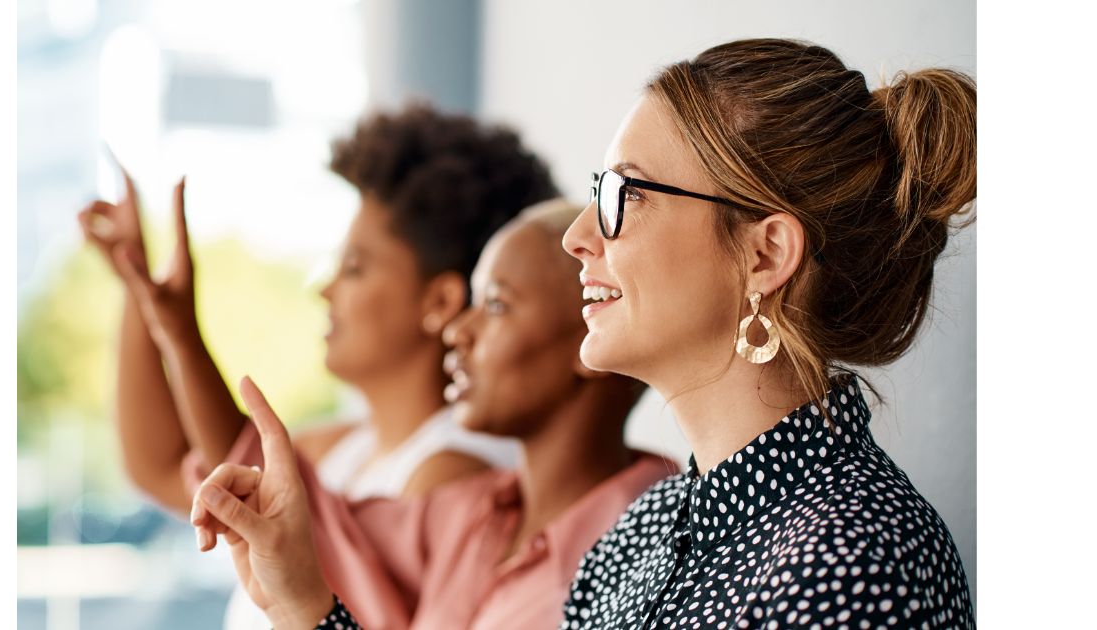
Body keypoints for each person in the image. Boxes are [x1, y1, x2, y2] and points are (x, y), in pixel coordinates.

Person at [189, 38, 977, 629]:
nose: (575, 236)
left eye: (624, 194)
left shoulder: (855, 563)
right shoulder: (641, 534)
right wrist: (300, 599)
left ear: (765, 252)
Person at [77, 104, 557, 629]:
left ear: (439, 303)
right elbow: (160, 466)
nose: (325, 289)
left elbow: (321, 568)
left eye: (354, 267)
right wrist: (137, 288)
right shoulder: (340, 450)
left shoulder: (454, 476)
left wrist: (179, 333)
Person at [190, 201, 676, 630]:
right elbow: (305, 521)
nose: (457, 332)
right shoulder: (466, 515)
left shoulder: (659, 552)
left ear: (588, 336)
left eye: (497, 305)